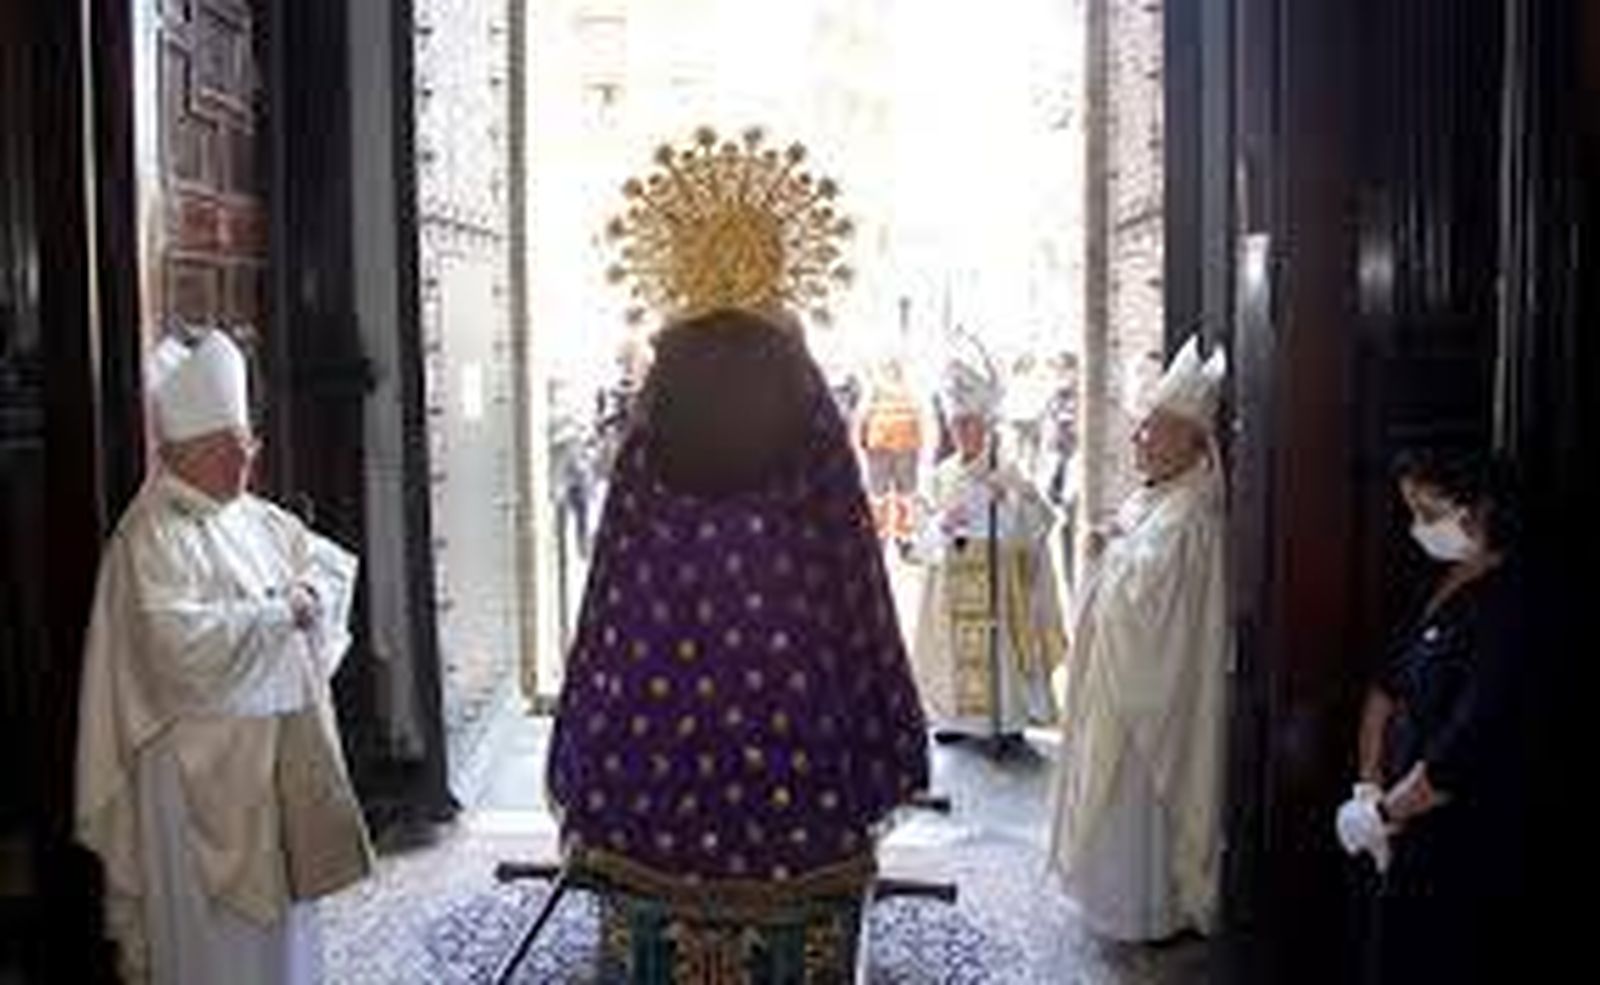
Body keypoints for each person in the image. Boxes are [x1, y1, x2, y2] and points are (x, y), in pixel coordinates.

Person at [547, 307, 929, 905]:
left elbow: (618, 573)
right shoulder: (801, 390)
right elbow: (847, 558)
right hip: (790, 673)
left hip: (659, 678)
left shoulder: (665, 390)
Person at [75, 330, 372, 985]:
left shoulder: (246, 514)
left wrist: (312, 597)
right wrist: (278, 614)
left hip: (265, 765)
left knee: (281, 949)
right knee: (214, 954)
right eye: (237, 446)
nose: (251, 458)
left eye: (249, 443)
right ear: (191, 451)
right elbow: (175, 646)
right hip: (189, 781)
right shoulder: (149, 535)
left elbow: (323, 568)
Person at [1048, 334, 1228, 942]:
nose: (1136, 439)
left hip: (1150, 701)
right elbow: (1133, 550)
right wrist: (1115, 540)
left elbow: (1152, 602)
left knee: (1137, 802)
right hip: (1121, 686)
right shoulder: (1164, 495)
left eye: (1151, 428)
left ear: (1191, 440)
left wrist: (1109, 548)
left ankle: (1146, 909)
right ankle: (1115, 901)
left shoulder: (1192, 512)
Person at [1335, 449, 1528, 983]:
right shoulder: (1437, 581)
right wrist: (1368, 787)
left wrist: (1388, 813)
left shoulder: (1513, 606)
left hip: (1460, 837)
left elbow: (1468, 741)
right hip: (1400, 822)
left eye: (1429, 511)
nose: (1419, 527)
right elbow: (1383, 688)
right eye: (1412, 511)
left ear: (1480, 510)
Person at [907, 359, 1065, 748]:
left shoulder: (1008, 473)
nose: (963, 432)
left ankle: (1007, 720)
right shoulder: (940, 475)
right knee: (953, 651)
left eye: (971, 423)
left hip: (999, 589)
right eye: (957, 424)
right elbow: (921, 538)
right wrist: (942, 525)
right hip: (951, 589)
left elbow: (1039, 526)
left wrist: (1007, 502)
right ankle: (955, 718)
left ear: (988, 425)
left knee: (997, 650)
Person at [855, 358, 924, 542]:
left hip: (900, 446)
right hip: (884, 446)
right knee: (883, 494)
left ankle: (901, 534)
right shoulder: (876, 390)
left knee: (903, 494)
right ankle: (884, 533)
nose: (890, 371)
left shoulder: (906, 389)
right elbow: (862, 416)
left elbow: (920, 415)